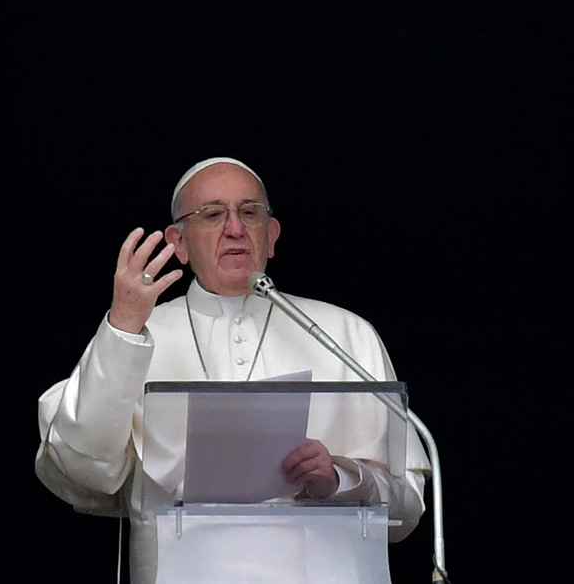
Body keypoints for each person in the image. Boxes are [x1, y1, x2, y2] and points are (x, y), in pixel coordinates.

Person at [35, 157, 429, 583]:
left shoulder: (346, 333)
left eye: (249, 212)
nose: (235, 228)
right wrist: (123, 325)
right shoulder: (135, 335)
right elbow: (81, 469)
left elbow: (406, 508)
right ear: (178, 243)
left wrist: (339, 478)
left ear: (271, 235)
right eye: (212, 214)